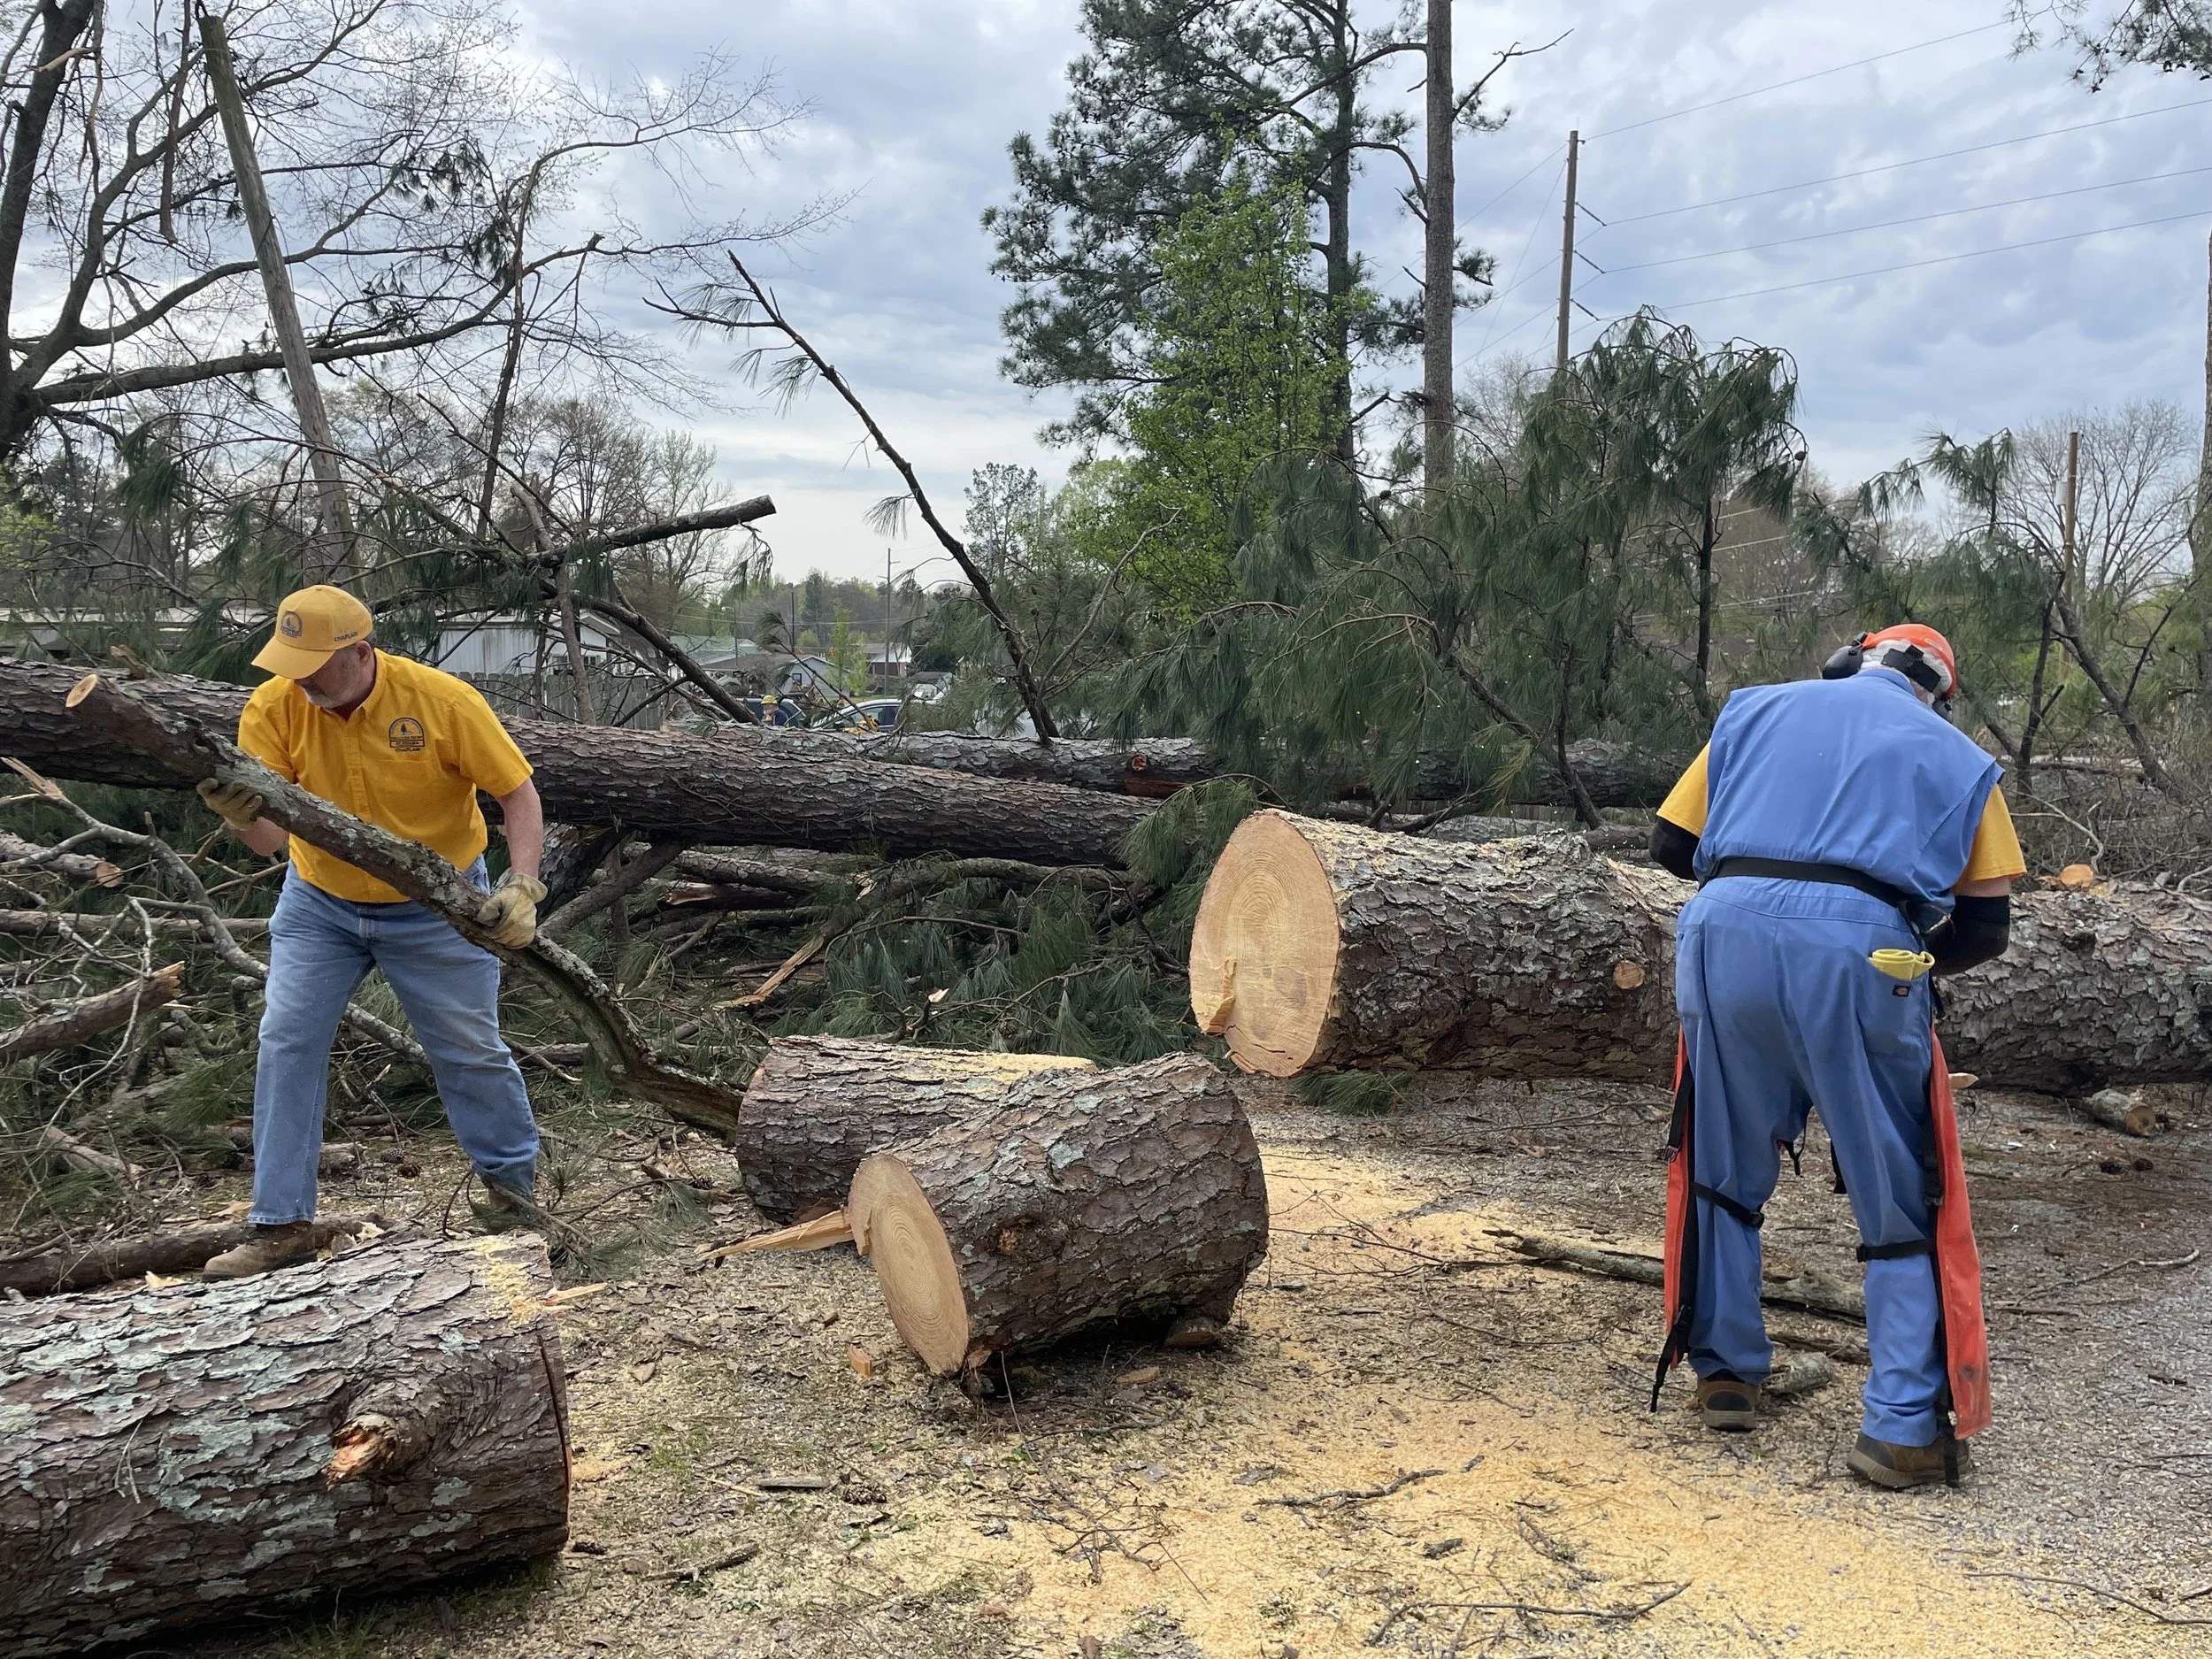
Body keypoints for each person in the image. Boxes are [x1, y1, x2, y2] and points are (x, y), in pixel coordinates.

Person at [1646, 624, 2024, 1489]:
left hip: (1720, 932)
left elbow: (1670, 845)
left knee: (1718, 1163)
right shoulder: (1959, 758)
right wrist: (1897, 945)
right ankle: (1898, 1431)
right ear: (1937, 690)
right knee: (1899, 1191)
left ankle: (1725, 1375)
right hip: (1860, 952)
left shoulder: (1752, 712)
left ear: (1849, 660)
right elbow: (1984, 928)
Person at [196, 585, 549, 1279]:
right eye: (289, 661)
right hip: (319, 900)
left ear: (360, 652)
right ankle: (281, 1223)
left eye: (314, 663)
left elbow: (517, 792)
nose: (299, 677)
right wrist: (238, 811)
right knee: (288, 1037)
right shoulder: (273, 705)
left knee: (469, 1049)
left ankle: (516, 1203)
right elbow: (268, 841)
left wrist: (522, 883)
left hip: (437, 899)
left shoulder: (442, 702)